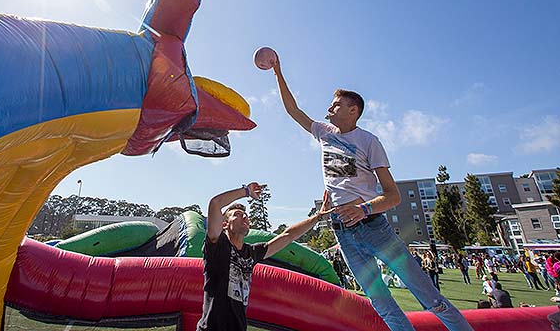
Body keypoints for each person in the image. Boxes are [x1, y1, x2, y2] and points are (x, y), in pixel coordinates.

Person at [272, 59, 473, 331]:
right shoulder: (324, 133)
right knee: (382, 304)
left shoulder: (369, 142)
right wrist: (278, 71)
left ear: (353, 110)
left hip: (374, 229)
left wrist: (364, 209)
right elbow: (292, 109)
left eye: (336, 104)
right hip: (342, 233)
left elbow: (393, 196)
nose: (329, 108)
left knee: (429, 297)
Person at [197, 182, 327, 331]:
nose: (244, 216)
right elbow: (215, 203)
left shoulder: (251, 253)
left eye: (245, 215)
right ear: (225, 224)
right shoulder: (217, 246)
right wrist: (246, 191)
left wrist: (317, 217)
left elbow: (288, 235)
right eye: (237, 215)